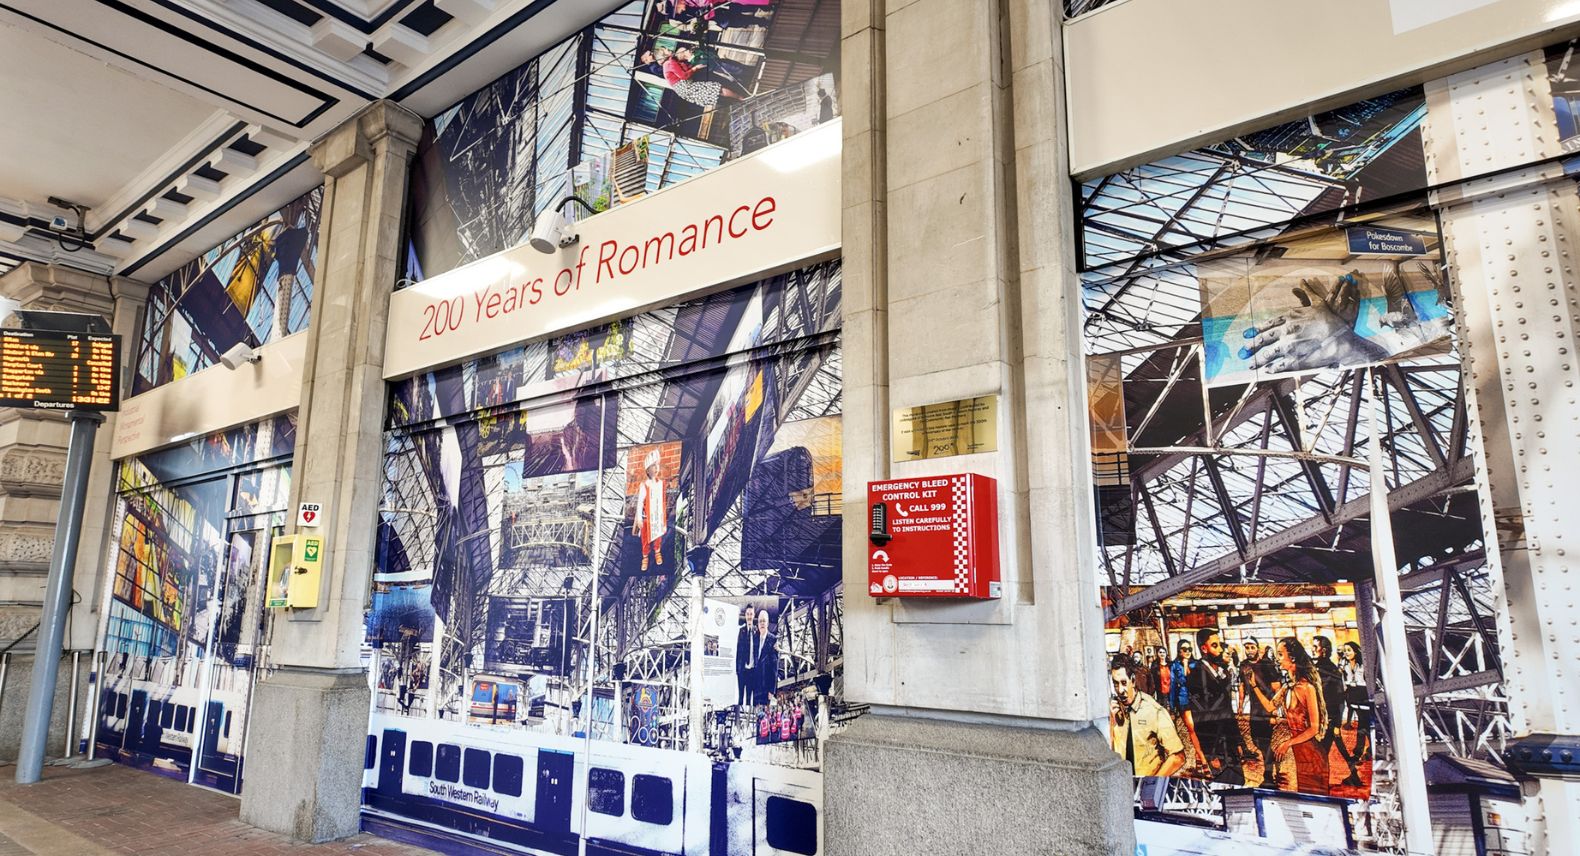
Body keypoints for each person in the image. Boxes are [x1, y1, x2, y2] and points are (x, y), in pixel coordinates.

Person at [1108, 655, 1185, 778]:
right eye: (1116, 684)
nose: (1120, 690)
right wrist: (1112, 723)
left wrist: (1152, 782)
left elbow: (1177, 757)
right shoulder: (1114, 710)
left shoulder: (1154, 711)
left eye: (1123, 683)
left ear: (1133, 681)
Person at [1183, 628, 1243, 784]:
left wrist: (1236, 741)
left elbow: (1228, 710)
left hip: (1229, 742)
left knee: (1239, 782)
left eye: (1220, 645)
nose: (1220, 650)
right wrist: (1210, 753)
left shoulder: (1222, 673)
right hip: (1215, 746)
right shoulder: (1196, 676)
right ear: (1204, 649)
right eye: (1215, 646)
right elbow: (1200, 718)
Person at [1271, 637, 1329, 795]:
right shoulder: (1289, 686)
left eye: (1280, 654)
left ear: (1293, 658)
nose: (1277, 658)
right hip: (1296, 753)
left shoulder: (1307, 688)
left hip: (1310, 755)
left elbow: (1314, 728)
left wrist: (1288, 743)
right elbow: (1271, 706)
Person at [1240, 637, 1280, 784]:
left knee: (1265, 742)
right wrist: (1240, 704)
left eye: (1252, 647)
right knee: (1256, 741)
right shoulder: (1243, 665)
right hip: (1254, 709)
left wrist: (1276, 709)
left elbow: (1276, 686)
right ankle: (1272, 763)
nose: (1250, 650)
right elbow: (1242, 686)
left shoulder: (1266, 664)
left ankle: (1268, 774)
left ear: (1257, 648)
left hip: (1267, 708)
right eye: (1247, 647)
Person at [657, 46, 743, 109]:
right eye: (667, 50)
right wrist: (696, 68)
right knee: (716, 89)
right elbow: (684, 76)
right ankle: (740, 98)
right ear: (664, 56)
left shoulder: (669, 63)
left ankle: (738, 99)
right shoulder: (669, 63)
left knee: (715, 92)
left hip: (684, 89)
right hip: (686, 87)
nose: (670, 49)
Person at [1336, 641, 1372, 788]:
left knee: (1364, 725)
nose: (1346, 653)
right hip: (1352, 695)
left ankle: (1361, 751)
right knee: (1362, 726)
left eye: (1349, 650)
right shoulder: (1345, 665)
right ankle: (1361, 751)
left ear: (1356, 651)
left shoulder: (1362, 665)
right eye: (1345, 651)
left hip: (1363, 694)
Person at [633, 450, 667, 571]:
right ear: (647, 470)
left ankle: (657, 551)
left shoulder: (661, 484)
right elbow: (640, 502)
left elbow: (663, 501)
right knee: (645, 538)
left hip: (657, 515)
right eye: (653, 466)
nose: (656, 468)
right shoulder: (645, 485)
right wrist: (639, 518)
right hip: (647, 517)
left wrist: (663, 520)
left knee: (657, 537)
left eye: (657, 465)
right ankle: (645, 556)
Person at [1311, 635, 1345, 756]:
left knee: (1321, 753)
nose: (1312, 649)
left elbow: (1340, 698)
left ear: (1324, 650)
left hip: (1329, 718)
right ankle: (1354, 773)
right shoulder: (1315, 668)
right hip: (1318, 718)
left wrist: (1337, 724)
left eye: (1315, 646)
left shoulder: (1332, 670)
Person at [744, 609, 777, 705]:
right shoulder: (754, 639)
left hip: (766, 687)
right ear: (757, 623)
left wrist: (772, 690)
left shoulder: (773, 640)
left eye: (764, 621)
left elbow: (774, 667)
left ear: (767, 623)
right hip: (754, 684)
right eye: (760, 621)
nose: (762, 623)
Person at [734, 604, 756, 706]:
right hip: (742, 670)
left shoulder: (757, 631)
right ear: (745, 616)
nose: (749, 616)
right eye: (748, 614)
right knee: (740, 696)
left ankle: (747, 718)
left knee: (749, 697)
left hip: (752, 670)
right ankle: (738, 718)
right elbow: (738, 651)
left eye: (751, 614)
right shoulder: (741, 631)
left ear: (754, 615)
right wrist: (737, 670)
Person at [1168, 639, 1193, 714]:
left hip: (1197, 699)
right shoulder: (1175, 665)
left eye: (1190, 649)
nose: (1188, 652)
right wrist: (1172, 705)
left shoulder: (1195, 664)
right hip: (1183, 699)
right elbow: (1172, 685)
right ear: (1179, 651)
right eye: (1185, 650)